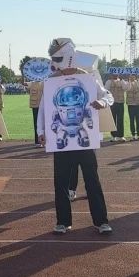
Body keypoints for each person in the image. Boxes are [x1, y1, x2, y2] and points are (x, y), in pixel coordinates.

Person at [39, 38, 114, 234]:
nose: (55, 62)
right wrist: (41, 131)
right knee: (61, 182)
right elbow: (44, 109)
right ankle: (63, 221)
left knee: (92, 181)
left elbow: (108, 96)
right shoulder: (52, 80)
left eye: (58, 57)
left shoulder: (87, 77)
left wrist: (102, 103)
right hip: (62, 141)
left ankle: (101, 221)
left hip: (85, 140)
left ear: (69, 56)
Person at [105, 72, 127, 141]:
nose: (115, 75)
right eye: (114, 74)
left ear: (118, 75)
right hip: (112, 103)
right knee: (113, 120)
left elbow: (126, 88)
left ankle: (120, 136)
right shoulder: (108, 82)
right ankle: (113, 136)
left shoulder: (122, 81)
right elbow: (106, 90)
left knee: (120, 119)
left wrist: (122, 80)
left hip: (120, 102)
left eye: (116, 74)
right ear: (112, 75)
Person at [126, 76, 139, 140]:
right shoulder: (127, 83)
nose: (132, 78)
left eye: (133, 76)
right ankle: (133, 135)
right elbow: (127, 89)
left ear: (135, 77)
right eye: (131, 76)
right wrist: (129, 82)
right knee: (131, 120)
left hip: (137, 104)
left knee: (138, 120)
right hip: (130, 104)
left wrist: (137, 82)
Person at [28, 79, 45, 147]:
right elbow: (25, 85)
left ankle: (46, 140)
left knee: (46, 123)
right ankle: (37, 141)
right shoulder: (32, 83)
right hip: (36, 106)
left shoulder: (45, 81)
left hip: (45, 105)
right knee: (36, 123)